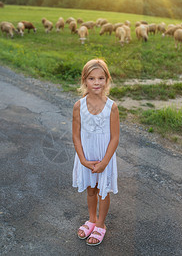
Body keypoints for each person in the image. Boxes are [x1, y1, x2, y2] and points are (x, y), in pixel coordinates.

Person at [72, 58, 120, 246]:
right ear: (84, 80)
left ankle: (101, 224)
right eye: (92, 78)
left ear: (107, 80)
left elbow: (115, 138)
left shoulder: (112, 107)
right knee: (91, 189)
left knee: (103, 191)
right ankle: (91, 219)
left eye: (101, 78)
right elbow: (76, 135)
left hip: (104, 157)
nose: (97, 82)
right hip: (87, 156)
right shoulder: (79, 106)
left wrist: (104, 162)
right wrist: (83, 160)